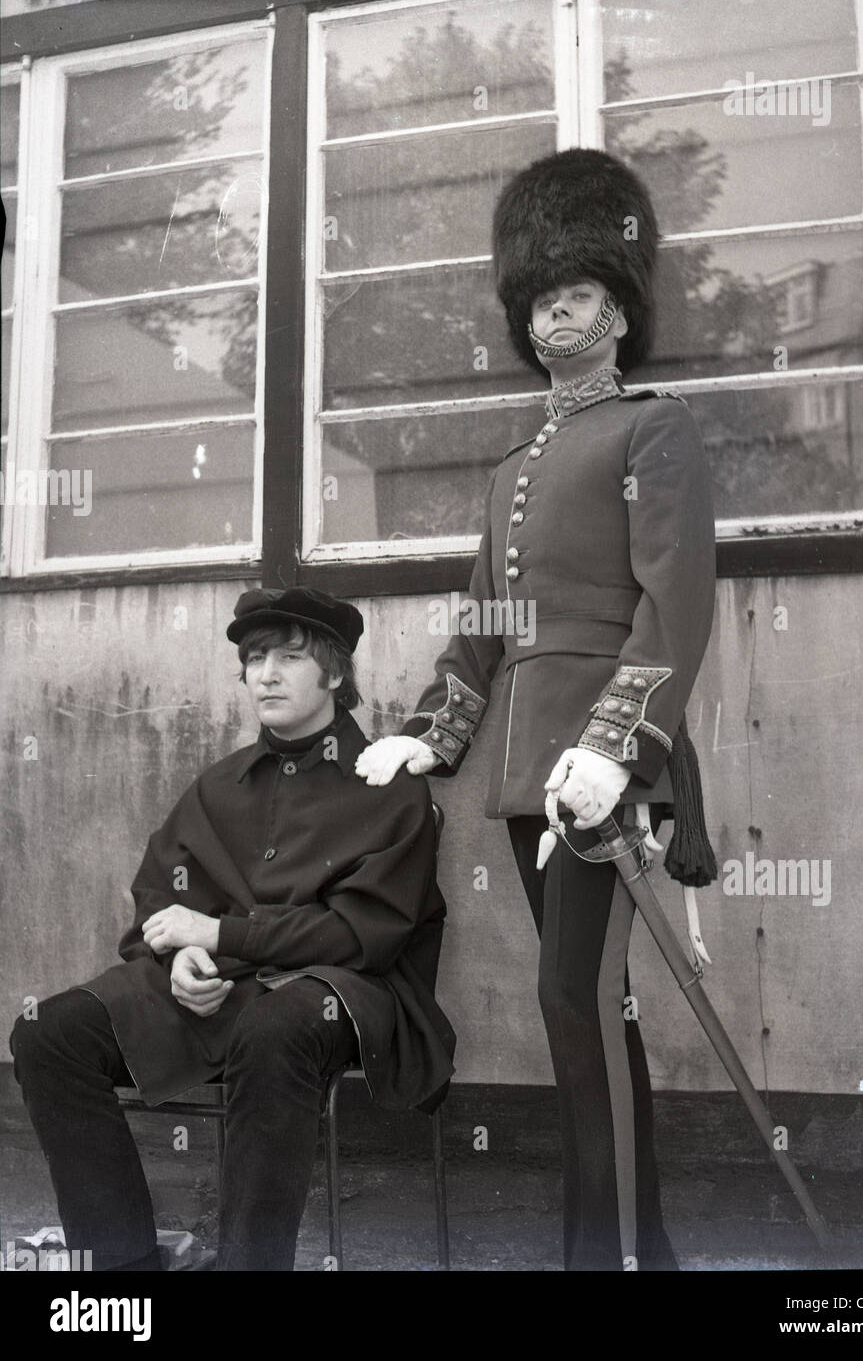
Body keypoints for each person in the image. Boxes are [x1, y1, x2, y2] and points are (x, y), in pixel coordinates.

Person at [356, 148, 717, 1272]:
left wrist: (617, 749)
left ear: (618, 310)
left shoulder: (653, 429)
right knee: (588, 1006)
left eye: (579, 297)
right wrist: (432, 726)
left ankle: (602, 1257)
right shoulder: (513, 458)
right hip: (525, 767)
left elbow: (676, 601)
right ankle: (630, 1249)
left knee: (576, 996)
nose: (557, 317)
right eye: (544, 301)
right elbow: (485, 616)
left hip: (602, 764)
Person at [11, 587, 455, 1272]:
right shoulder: (220, 786)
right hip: (222, 993)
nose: (265, 673)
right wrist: (184, 953)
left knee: (275, 1027)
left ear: (335, 674)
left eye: (288, 657)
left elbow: (363, 935)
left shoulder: (389, 785)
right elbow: (160, 897)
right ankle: (124, 1271)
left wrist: (223, 938)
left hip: (344, 993)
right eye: (253, 659)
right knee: (48, 1033)